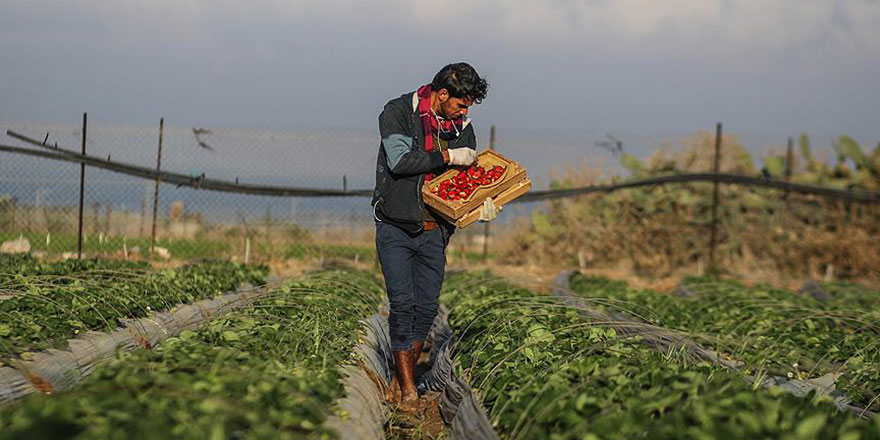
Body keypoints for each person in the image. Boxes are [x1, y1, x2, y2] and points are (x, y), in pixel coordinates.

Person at [371, 62, 498, 411]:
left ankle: (401, 377)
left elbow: (463, 185)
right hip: (395, 225)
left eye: (468, 106)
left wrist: (480, 207)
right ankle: (409, 389)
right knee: (402, 304)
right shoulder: (398, 112)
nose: (464, 111)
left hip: (435, 230)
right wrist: (447, 155)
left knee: (426, 308)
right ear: (442, 94)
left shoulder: (462, 128)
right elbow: (400, 161)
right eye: (460, 104)